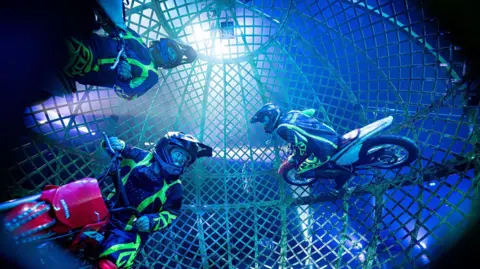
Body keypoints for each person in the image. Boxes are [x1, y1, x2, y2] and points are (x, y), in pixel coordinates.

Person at [97, 131, 212, 269]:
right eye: (179, 154)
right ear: (166, 148)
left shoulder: (175, 187)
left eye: (185, 159)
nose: (181, 161)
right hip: (104, 211)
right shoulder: (141, 157)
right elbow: (120, 149)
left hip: (129, 231)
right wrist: (112, 143)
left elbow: (171, 213)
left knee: (109, 264)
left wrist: (151, 221)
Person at [250, 103, 352, 191]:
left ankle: (341, 175)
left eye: (265, 119)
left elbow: (302, 145)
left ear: (271, 115)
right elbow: (311, 111)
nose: (265, 123)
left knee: (303, 171)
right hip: (333, 136)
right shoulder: (293, 113)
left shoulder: (282, 128)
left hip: (324, 148)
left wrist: (294, 158)